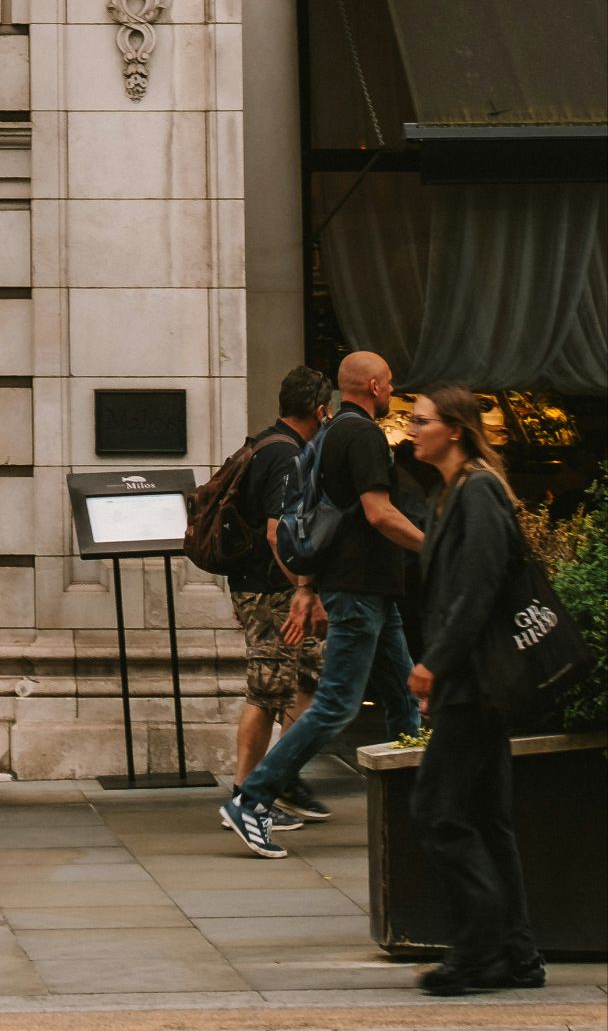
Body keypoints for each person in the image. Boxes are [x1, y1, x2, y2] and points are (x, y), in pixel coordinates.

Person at [221, 351, 423, 857]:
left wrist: (307, 588)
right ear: (375, 386)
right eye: (391, 383)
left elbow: (311, 517)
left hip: (365, 589)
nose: (394, 390)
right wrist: (436, 543)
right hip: (360, 591)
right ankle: (253, 798)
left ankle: (417, 806)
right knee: (335, 705)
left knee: (401, 695)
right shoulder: (366, 436)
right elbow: (378, 514)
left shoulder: (327, 436)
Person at [405, 384, 544, 995]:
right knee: (486, 817)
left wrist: (433, 665)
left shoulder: (478, 491)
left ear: (454, 429)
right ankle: (516, 955)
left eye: (422, 421)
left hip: (474, 680)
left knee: (437, 810)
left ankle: (481, 952)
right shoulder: (448, 493)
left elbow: (478, 589)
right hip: (467, 681)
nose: (411, 429)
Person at [221, 367, 330, 833]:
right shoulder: (287, 455)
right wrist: (306, 589)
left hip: (267, 588)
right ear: (322, 411)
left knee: (304, 679)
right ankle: (245, 796)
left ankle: (281, 779)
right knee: (265, 692)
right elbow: (275, 531)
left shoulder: (265, 442)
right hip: (271, 591)